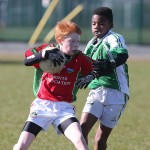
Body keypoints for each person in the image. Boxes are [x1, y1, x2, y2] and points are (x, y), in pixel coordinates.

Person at [13, 20, 99, 150]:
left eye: (78, 41)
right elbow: (26, 61)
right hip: (42, 106)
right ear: (60, 40)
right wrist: (43, 55)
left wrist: (91, 75)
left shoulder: (79, 58)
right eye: (72, 41)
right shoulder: (47, 50)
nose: (76, 45)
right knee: (21, 146)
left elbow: (98, 67)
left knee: (80, 140)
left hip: (64, 109)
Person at [76, 7, 129, 150]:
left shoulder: (114, 38)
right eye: (94, 23)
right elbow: (83, 66)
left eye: (101, 23)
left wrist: (110, 64)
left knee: (100, 140)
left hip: (116, 93)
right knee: (80, 132)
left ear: (110, 25)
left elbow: (122, 55)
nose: (96, 27)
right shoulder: (91, 44)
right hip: (96, 92)